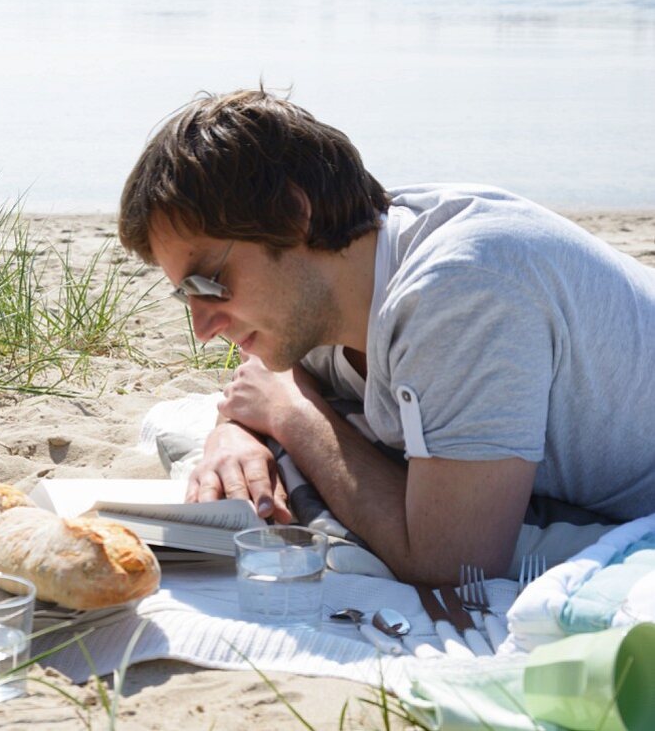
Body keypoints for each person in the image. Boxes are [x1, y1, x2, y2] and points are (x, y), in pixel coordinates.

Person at [117, 89, 655, 584]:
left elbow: (454, 562)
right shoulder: (347, 274)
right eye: (183, 295)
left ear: (293, 217)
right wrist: (231, 430)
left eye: (210, 282)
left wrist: (291, 415)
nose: (204, 329)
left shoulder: (460, 290)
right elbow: (261, 381)